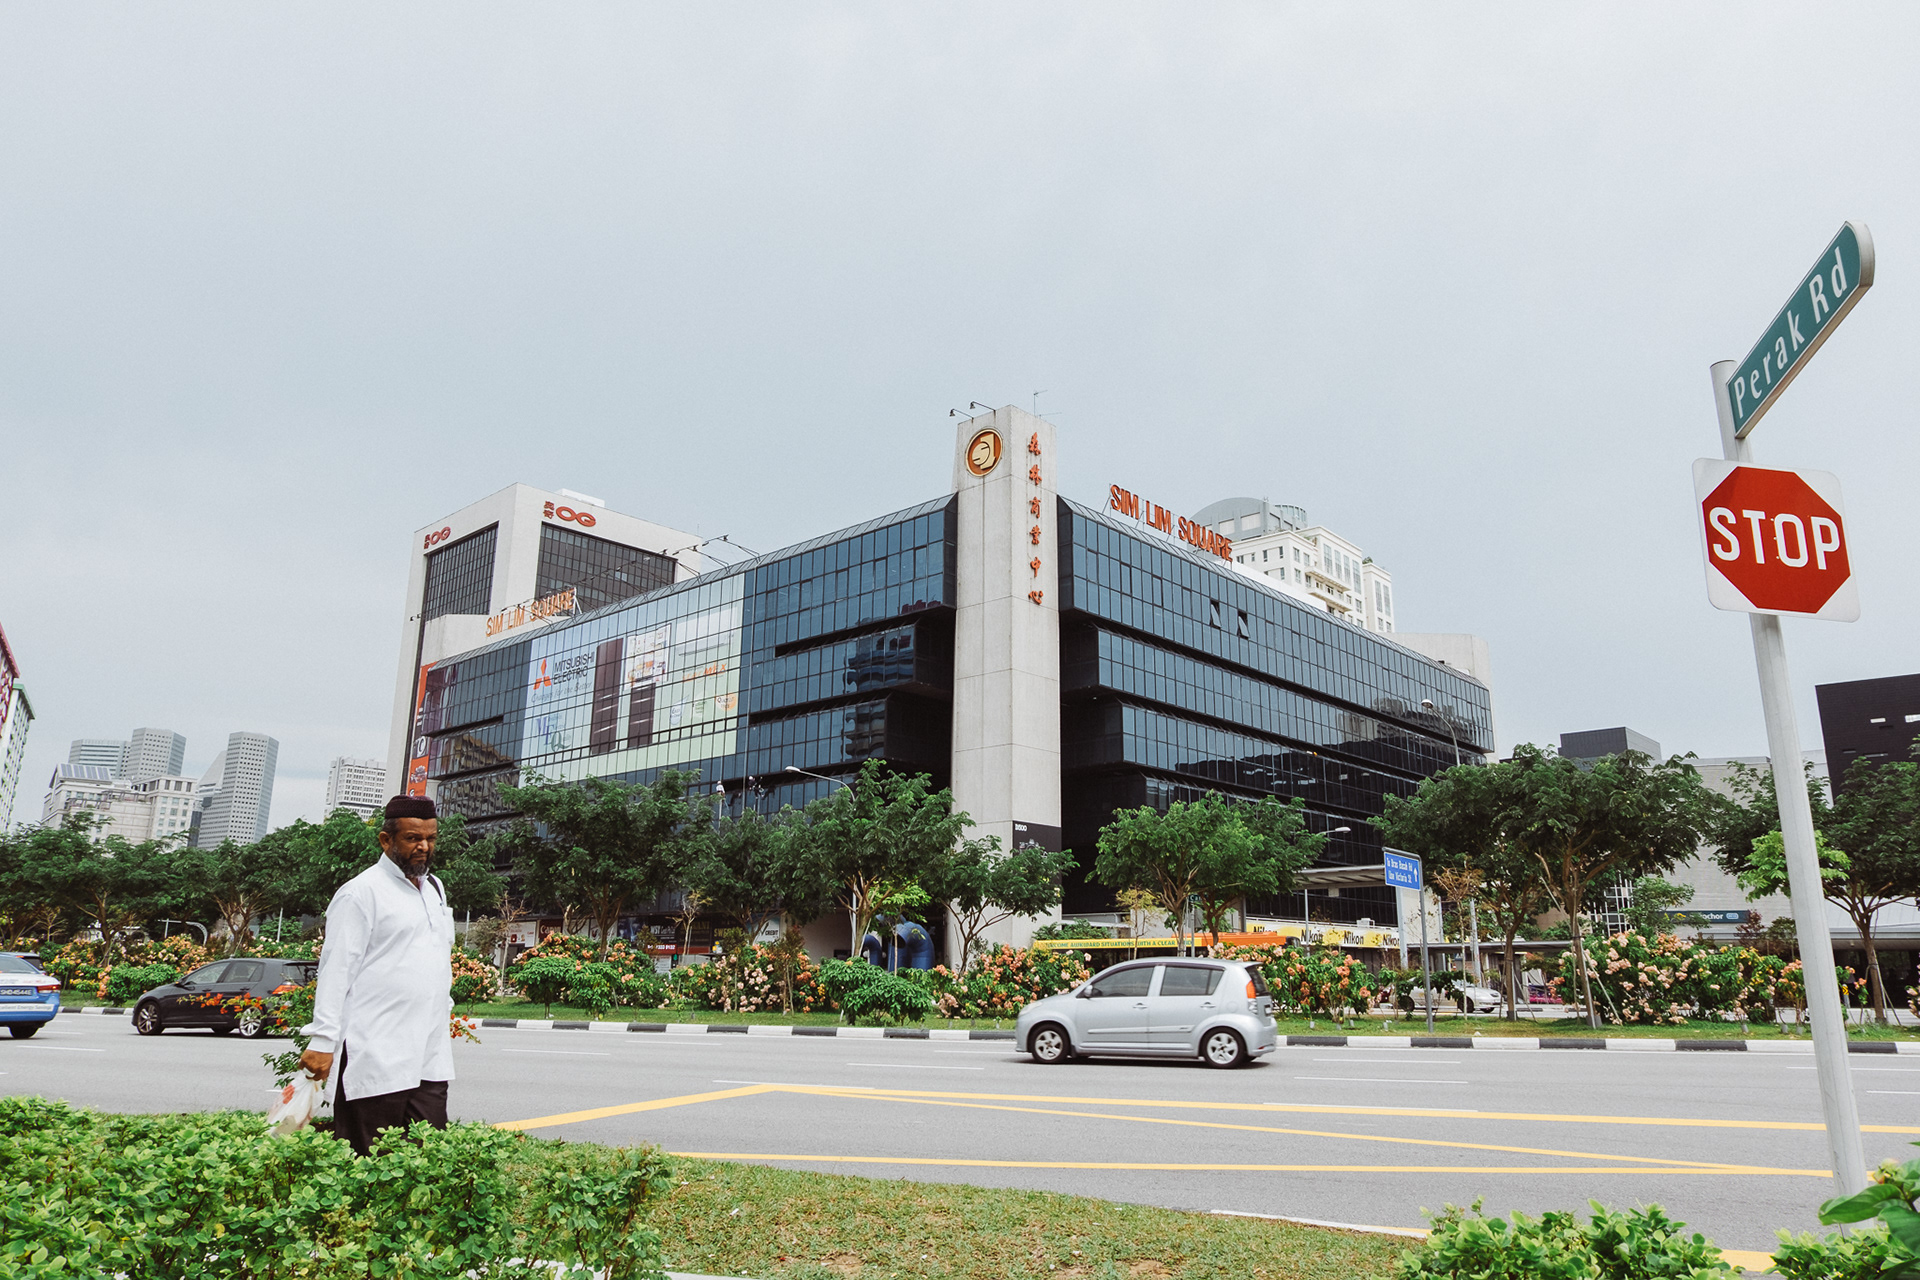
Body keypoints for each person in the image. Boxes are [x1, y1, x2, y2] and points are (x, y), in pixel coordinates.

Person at [300, 795, 457, 1156]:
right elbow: (336, 969)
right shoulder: (360, 893)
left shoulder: (435, 888)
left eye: (431, 838)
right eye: (413, 838)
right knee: (370, 1162)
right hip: (375, 1054)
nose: (424, 847)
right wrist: (323, 1040)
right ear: (386, 840)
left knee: (430, 1158)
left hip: (429, 1057)